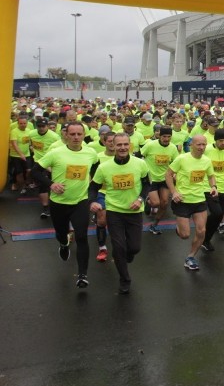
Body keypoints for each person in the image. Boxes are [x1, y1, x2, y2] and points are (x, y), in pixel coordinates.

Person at [31, 122, 100, 288]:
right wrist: (51, 184)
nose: (76, 137)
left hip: (80, 202)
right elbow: (34, 171)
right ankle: (63, 243)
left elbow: (96, 167)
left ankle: (82, 275)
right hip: (59, 202)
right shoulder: (56, 153)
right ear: (66, 135)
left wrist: (92, 184)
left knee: (82, 237)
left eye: (79, 134)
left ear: (84, 135)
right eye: (73, 134)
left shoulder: (90, 153)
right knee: (61, 233)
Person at [88, 132, 151, 294]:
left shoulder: (140, 164)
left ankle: (127, 255)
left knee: (134, 248)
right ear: (113, 146)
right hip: (114, 211)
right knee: (118, 247)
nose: (122, 148)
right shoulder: (104, 167)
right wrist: (93, 201)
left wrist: (140, 199)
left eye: (125, 144)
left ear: (130, 145)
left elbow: (146, 184)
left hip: (134, 211)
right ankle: (125, 279)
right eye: (119, 145)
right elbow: (93, 187)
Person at [165, 135, 218, 271]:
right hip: (182, 200)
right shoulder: (182, 159)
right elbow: (168, 174)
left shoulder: (206, 161)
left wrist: (213, 187)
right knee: (185, 235)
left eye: (204, 145)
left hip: (199, 200)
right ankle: (179, 230)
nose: (201, 147)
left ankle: (191, 257)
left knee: (201, 231)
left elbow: (211, 176)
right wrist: (174, 192)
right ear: (191, 145)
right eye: (198, 144)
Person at [140, 126, 179, 234]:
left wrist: (175, 174)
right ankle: (149, 202)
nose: (166, 139)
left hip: (164, 178)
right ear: (159, 136)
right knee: (156, 203)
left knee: (165, 203)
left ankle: (155, 225)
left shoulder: (173, 148)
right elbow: (140, 155)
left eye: (169, 136)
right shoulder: (151, 145)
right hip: (151, 178)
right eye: (164, 136)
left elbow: (175, 163)